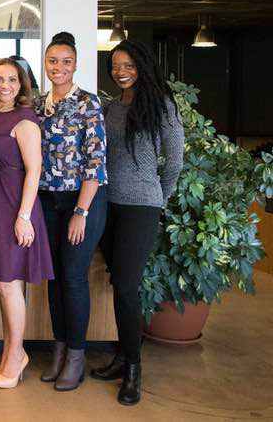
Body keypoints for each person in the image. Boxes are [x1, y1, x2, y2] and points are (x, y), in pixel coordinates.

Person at [91, 40, 184, 406]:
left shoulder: (162, 105)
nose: (120, 71)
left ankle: (133, 367)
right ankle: (122, 354)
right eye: (115, 65)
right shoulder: (112, 107)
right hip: (107, 205)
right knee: (118, 284)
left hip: (141, 207)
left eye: (128, 64)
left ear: (142, 65)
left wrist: (157, 199)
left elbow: (174, 161)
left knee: (128, 287)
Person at [35, 32, 108, 391]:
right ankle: (59, 350)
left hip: (83, 200)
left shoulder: (88, 103)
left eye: (66, 61)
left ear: (76, 64)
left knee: (74, 276)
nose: (58, 67)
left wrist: (81, 210)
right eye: (52, 61)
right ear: (45, 63)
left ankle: (77, 356)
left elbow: (96, 161)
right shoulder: (39, 105)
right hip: (48, 200)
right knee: (54, 277)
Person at [0, 57, 52, 389]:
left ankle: (16, 356)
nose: (4, 86)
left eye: (11, 80)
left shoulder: (25, 120)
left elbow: (34, 170)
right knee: (3, 284)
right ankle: (12, 352)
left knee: (10, 284)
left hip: (14, 205)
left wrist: (23, 216)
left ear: (21, 84)